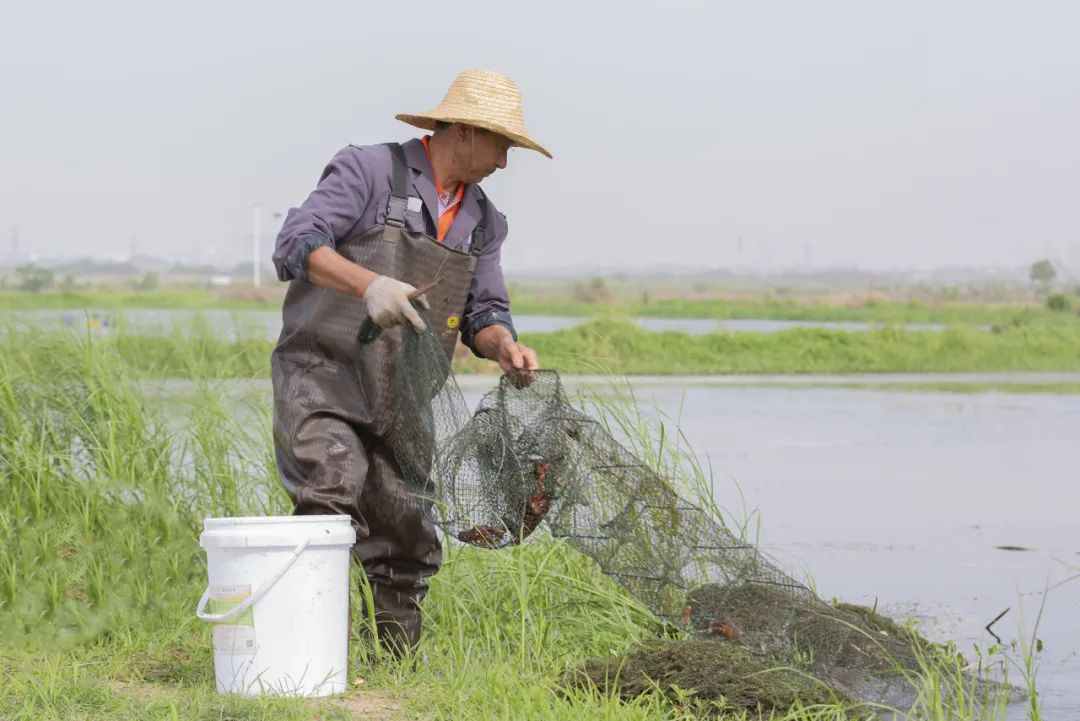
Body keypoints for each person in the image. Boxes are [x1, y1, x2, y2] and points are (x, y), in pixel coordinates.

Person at [269, 69, 549, 654]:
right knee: (330, 496)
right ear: (465, 131)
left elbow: (484, 311)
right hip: (323, 377)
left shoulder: (484, 222)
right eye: (501, 145)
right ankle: (310, 661)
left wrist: (504, 346)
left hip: (405, 395)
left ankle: (392, 671)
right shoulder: (369, 170)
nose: (504, 162)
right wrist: (369, 285)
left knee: (407, 530)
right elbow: (296, 243)